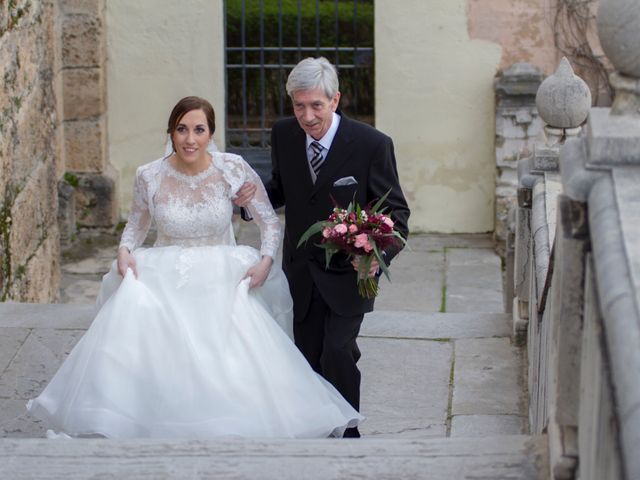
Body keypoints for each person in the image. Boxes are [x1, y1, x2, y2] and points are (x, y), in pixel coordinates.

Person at [26, 96, 362, 439]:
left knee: (232, 355)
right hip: (165, 273)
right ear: (171, 133)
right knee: (141, 329)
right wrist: (124, 250)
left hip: (223, 273)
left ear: (210, 133)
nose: (190, 139)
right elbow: (136, 226)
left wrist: (264, 261)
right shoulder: (149, 175)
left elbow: (270, 223)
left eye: (198, 130)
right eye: (182, 129)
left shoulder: (232, 169)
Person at [236, 57, 410, 438]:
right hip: (301, 272)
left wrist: (375, 258)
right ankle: (317, 433)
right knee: (308, 357)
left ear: (335, 100)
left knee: (338, 350)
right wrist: (252, 199)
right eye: (299, 106)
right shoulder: (283, 134)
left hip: (352, 274)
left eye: (316, 105)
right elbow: (284, 188)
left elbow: (397, 215)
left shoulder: (372, 145)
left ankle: (348, 434)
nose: (307, 115)